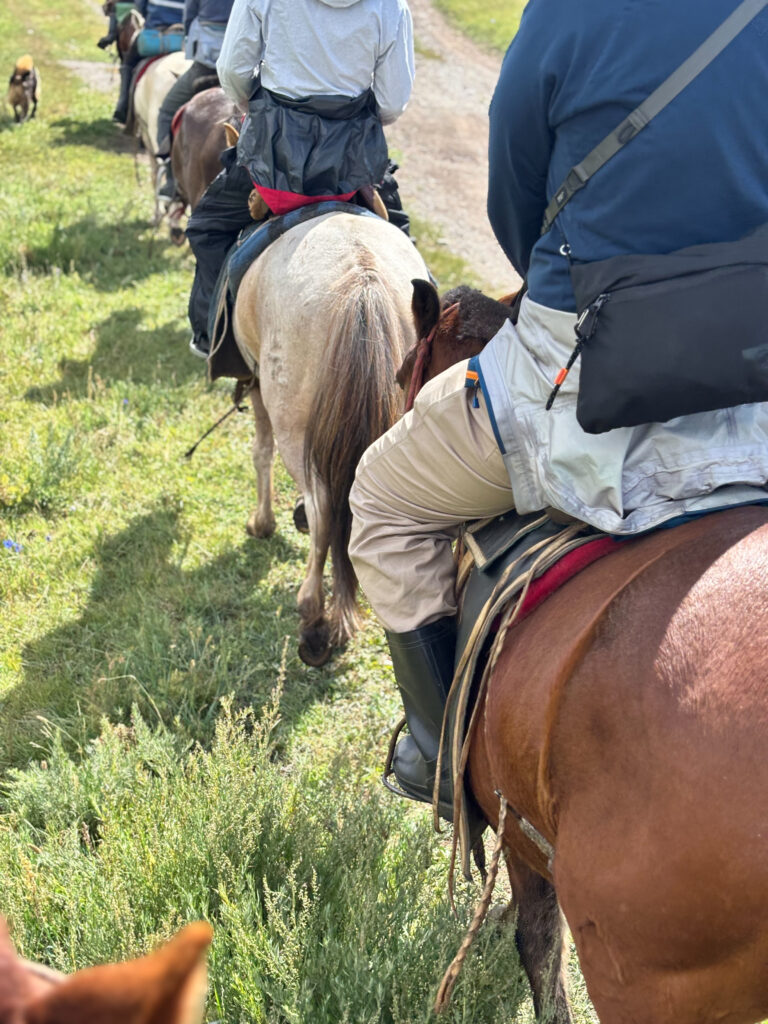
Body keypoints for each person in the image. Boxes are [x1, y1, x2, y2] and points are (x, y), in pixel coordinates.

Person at [348, 0, 768, 815]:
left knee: (383, 499)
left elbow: (515, 197)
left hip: (575, 372)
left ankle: (441, 753)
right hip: (753, 370)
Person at [184, 0, 415, 358]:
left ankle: (209, 337)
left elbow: (232, 71)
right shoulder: (391, 6)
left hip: (272, 159)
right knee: (401, 238)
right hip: (351, 165)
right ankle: (421, 346)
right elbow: (392, 102)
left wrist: (259, 113)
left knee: (208, 228)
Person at [154, 0, 236, 200]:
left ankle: (171, 177)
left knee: (167, 111)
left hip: (206, 63)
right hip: (241, 65)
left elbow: (189, 16)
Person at [113, 0, 186, 124]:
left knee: (129, 61)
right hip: (182, 41)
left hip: (154, 37)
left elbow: (140, 7)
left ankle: (123, 105)